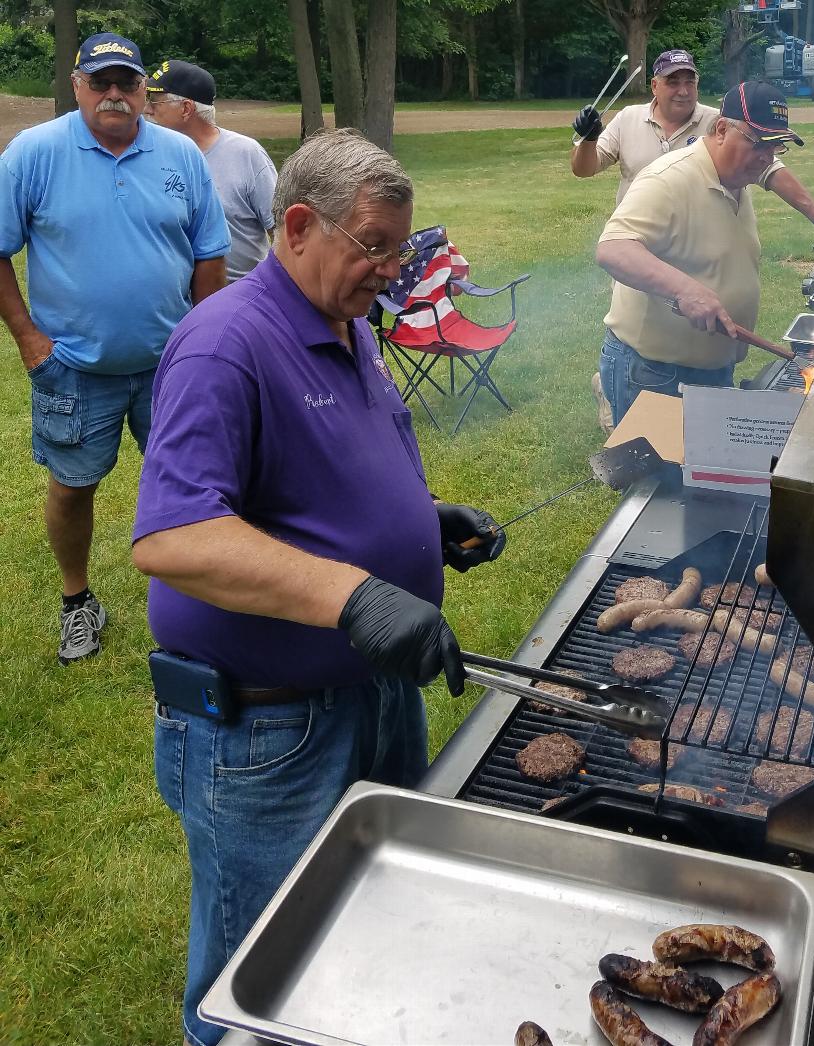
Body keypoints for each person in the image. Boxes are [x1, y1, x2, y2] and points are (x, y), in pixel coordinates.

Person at [131, 127, 505, 1046]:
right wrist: (357, 595)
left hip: (372, 695)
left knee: (371, 935)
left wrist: (421, 521)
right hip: (268, 731)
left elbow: (326, 474)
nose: (392, 269)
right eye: (373, 246)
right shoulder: (225, 343)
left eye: (402, 249)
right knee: (259, 982)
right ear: (297, 225)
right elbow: (175, 537)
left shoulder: (347, 321)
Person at [0, 32, 230, 666]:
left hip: (171, 366)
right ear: (76, 87)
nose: (113, 95)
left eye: (126, 83)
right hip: (73, 367)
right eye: (99, 82)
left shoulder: (180, 154)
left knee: (195, 483)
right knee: (73, 487)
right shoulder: (34, 153)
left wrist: (202, 346)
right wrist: (28, 338)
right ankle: (79, 603)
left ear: (142, 92)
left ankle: (198, 599)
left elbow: (209, 253)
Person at [572, 50, 814, 431]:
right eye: (758, 144)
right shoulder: (669, 178)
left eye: (775, 146)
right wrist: (686, 289)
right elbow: (613, 248)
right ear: (720, 131)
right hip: (655, 373)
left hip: (709, 367)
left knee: (700, 481)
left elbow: (773, 173)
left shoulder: (738, 174)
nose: (767, 158)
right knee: (657, 485)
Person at [145, 59, 277, 282]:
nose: (146, 109)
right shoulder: (150, 155)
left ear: (186, 108)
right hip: (177, 297)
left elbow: (281, 230)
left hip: (241, 296)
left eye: (156, 102)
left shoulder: (246, 153)